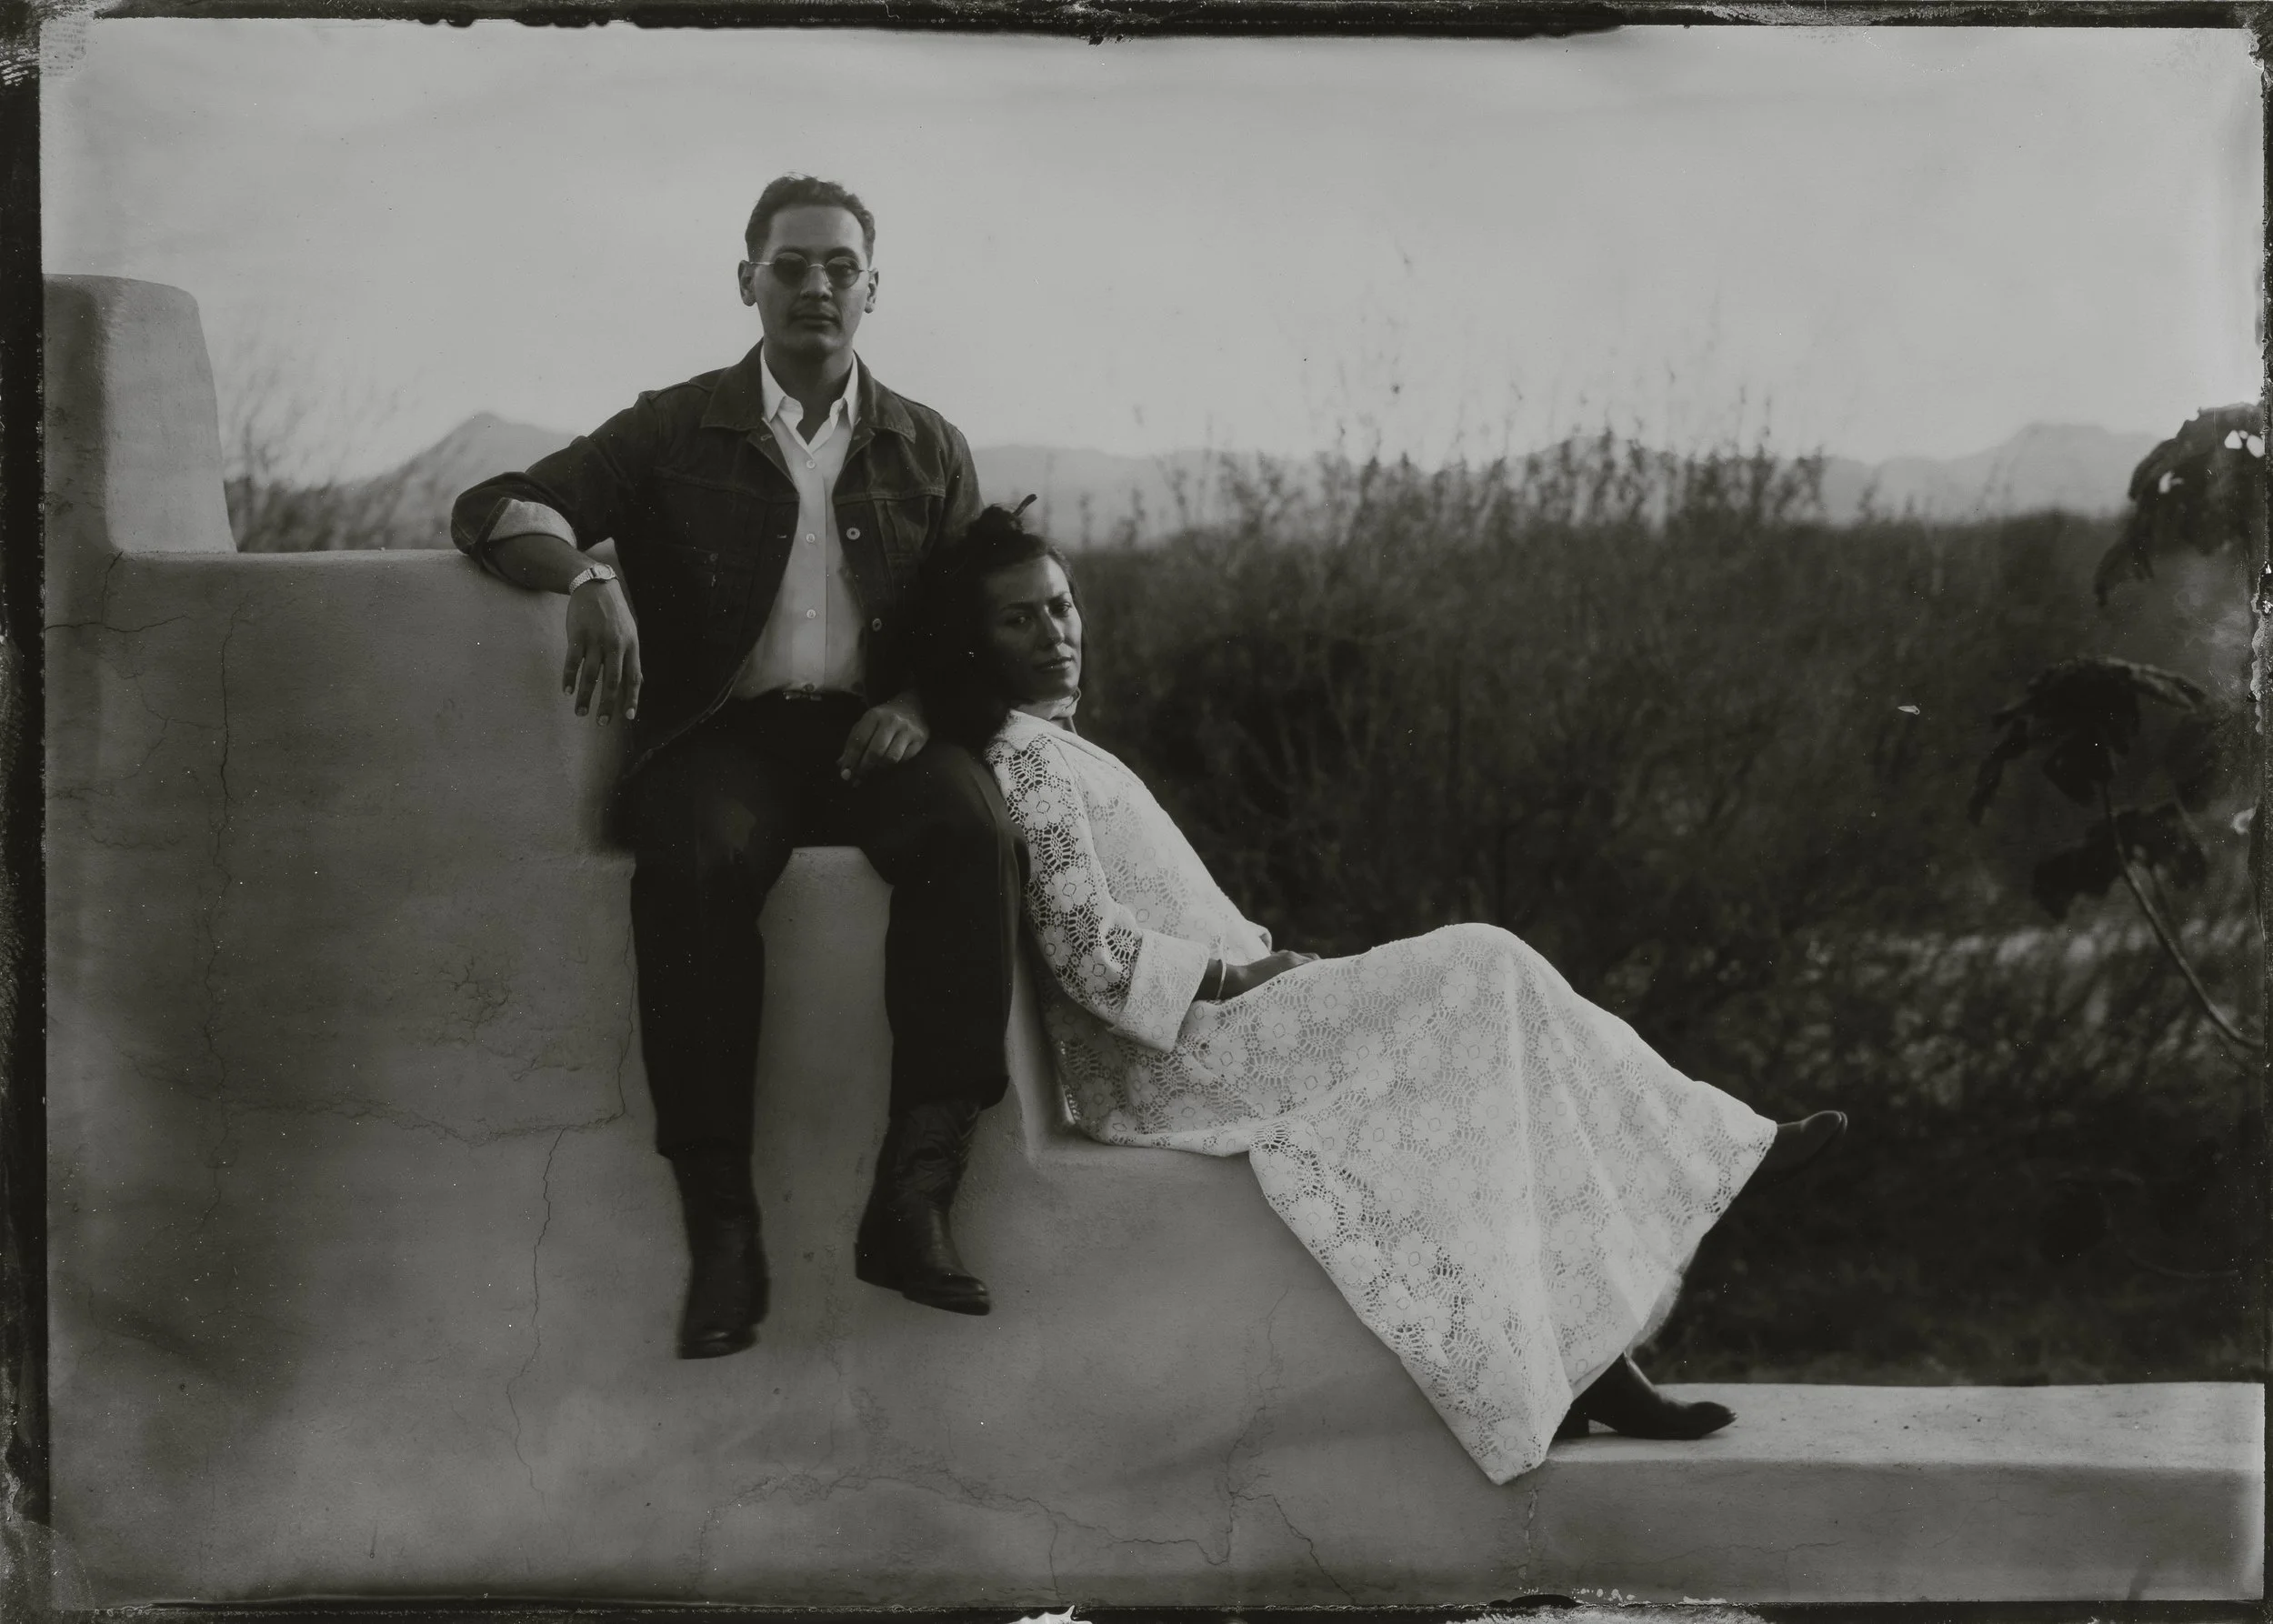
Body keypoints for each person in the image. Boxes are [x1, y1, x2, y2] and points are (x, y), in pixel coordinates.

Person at [912, 503, 1847, 1484]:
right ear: (975, 642)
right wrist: (1242, 974)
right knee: (1480, 961)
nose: (1052, 633)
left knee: (1486, 1053)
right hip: (1179, 1055)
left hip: (1223, 1022)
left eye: (1060, 606)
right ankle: (1720, 1151)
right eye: (1017, 618)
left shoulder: (1054, 742)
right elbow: (1089, 955)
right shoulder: (1023, 759)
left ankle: (1595, 1359)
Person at [450, 175, 1021, 1359]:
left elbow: (985, 620)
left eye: (841, 267)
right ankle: (721, 1227)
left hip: (876, 735)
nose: (817, 286)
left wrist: (920, 702)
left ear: (873, 288)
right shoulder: (674, 426)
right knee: (694, 859)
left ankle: (914, 1199)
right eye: (791, 264)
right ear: (747, 279)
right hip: (722, 735)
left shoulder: (929, 444)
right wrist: (586, 576)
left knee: (976, 833)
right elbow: (500, 504)